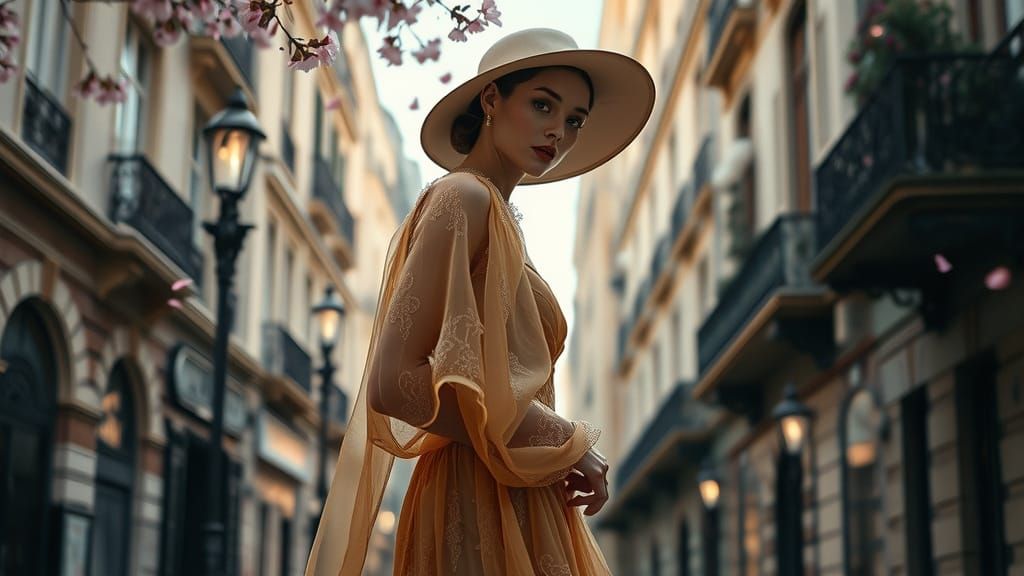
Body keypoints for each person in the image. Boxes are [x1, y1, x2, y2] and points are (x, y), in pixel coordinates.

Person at [305, 28, 655, 576]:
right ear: (492, 98)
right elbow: (393, 381)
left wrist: (553, 445)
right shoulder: (462, 197)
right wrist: (563, 438)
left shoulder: (496, 214)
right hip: (475, 497)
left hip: (515, 487)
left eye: (574, 120)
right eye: (543, 105)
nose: (558, 131)